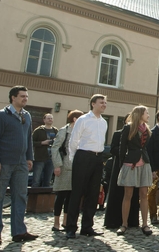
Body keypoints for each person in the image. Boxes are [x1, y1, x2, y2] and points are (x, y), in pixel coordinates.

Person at [0, 85, 38, 245]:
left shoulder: (27, 116)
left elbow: (28, 138)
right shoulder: (1, 116)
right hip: (3, 164)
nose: (25, 99)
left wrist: (30, 157)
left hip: (21, 163)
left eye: (26, 96)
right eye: (22, 96)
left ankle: (19, 231)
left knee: (20, 197)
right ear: (13, 98)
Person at [65, 94, 108, 239]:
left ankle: (87, 226)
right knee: (77, 193)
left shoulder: (103, 122)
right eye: (101, 102)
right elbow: (73, 140)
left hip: (97, 158)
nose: (104, 105)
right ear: (93, 104)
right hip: (83, 156)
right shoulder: (83, 120)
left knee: (93, 193)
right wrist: (73, 158)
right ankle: (71, 227)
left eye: (105, 102)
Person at [116, 106, 154, 236]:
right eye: (146, 113)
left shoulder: (147, 130)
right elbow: (122, 147)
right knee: (128, 195)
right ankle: (124, 224)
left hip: (144, 164)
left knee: (144, 194)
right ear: (140, 114)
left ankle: (145, 224)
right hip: (130, 163)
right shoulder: (128, 128)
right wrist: (122, 163)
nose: (148, 115)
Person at [51, 109, 84, 232]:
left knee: (71, 196)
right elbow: (55, 148)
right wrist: (57, 165)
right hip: (64, 167)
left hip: (76, 167)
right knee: (61, 196)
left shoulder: (81, 132)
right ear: (75, 119)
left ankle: (66, 221)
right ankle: (56, 222)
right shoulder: (64, 131)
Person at [104, 126, 140, 229]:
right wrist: (125, 152)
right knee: (117, 193)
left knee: (133, 194)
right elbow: (113, 149)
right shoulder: (118, 133)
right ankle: (114, 221)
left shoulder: (138, 134)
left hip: (133, 166)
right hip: (120, 165)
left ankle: (132, 221)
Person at [32, 113, 58, 187]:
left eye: (51, 118)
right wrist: (42, 143)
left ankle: (44, 198)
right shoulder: (38, 130)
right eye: (48, 118)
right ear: (44, 120)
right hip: (40, 158)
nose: (50, 120)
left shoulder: (55, 130)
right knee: (36, 180)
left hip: (51, 158)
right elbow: (31, 142)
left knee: (47, 181)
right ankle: (33, 197)